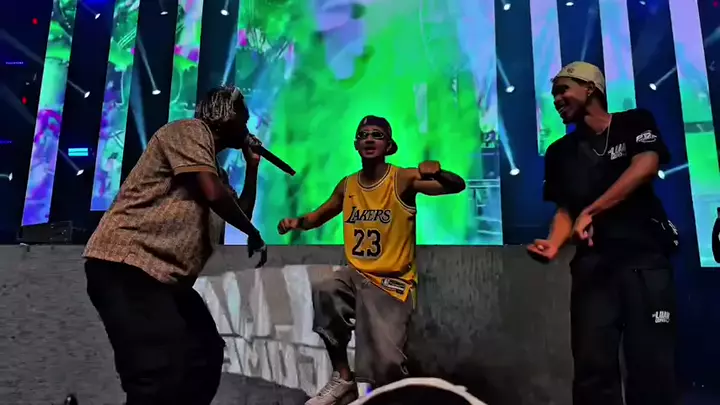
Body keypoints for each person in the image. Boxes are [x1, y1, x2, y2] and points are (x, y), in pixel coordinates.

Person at [83, 86, 267, 405]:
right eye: (244, 117)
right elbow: (214, 195)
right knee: (156, 370)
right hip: (128, 265)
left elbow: (238, 212)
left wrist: (252, 169)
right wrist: (253, 232)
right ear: (226, 115)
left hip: (166, 279)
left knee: (202, 358)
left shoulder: (215, 172)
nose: (247, 126)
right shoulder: (189, 131)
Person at [278, 115, 466, 405]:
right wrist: (296, 223)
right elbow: (319, 216)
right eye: (363, 134)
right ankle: (343, 379)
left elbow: (456, 186)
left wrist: (439, 173)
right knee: (326, 288)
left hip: (392, 283)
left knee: (387, 366)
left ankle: (386, 398)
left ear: (389, 146)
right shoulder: (348, 185)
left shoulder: (402, 179)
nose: (369, 139)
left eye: (377, 135)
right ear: (356, 144)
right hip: (356, 276)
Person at [527, 62, 677, 405]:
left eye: (563, 90)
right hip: (593, 269)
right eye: (554, 94)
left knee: (652, 365)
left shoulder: (634, 122)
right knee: (592, 368)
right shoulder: (559, 152)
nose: (556, 99)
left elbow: (646, 165)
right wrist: (553, 243)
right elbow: (565, 210)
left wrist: (592, 210)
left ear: (590, 88)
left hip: (643, 260)